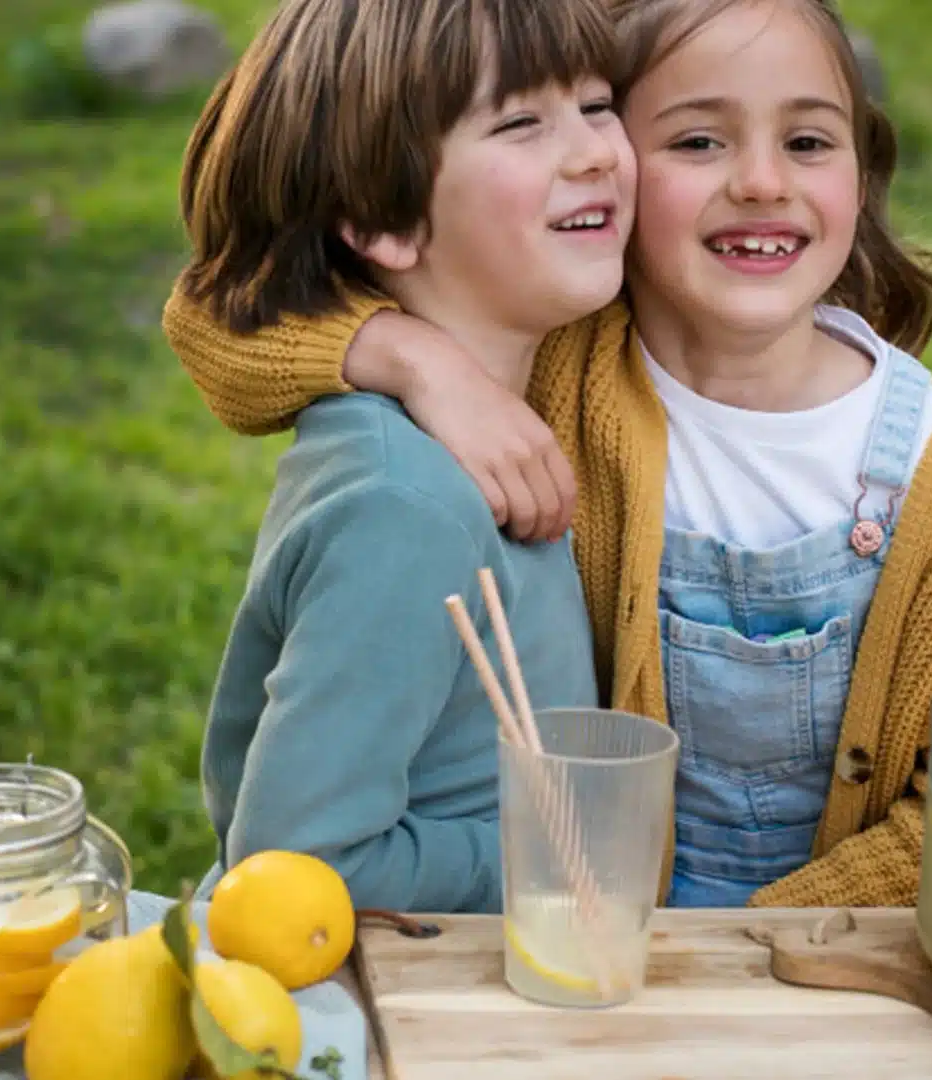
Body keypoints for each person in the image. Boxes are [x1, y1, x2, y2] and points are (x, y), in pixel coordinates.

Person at [161, 0, 932, 909]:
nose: (762, 180)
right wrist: (415, 359)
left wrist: (737, 960)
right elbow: (222, 318)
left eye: (808, 142)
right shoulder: (566, 362)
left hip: (791, 964)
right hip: (570, 945)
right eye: (694, 143)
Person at [177, 0, 638, 914]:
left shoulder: (514, 389)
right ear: (381, 221)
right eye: (520, 123)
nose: (593, 152)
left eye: (597, 103)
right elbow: (294, 866)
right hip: (409, 1025)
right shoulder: (408, 511)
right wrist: (548, 855)